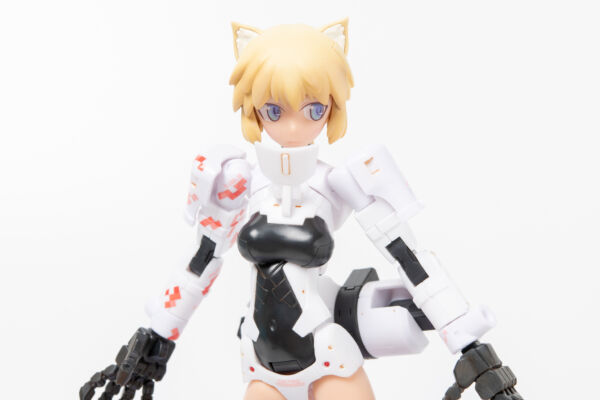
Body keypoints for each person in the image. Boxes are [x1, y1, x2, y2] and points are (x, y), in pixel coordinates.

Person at [80, 19, 524, 400]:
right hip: (260, 360)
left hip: (330, 355)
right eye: (274, 110)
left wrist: (471, 349)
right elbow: (201, 262)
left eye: (313, 109)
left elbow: (410, 260)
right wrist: (155, 338)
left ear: (331, 107)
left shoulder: (341, 182)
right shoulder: (238, 182)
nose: (293, 125)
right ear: (255, 109)